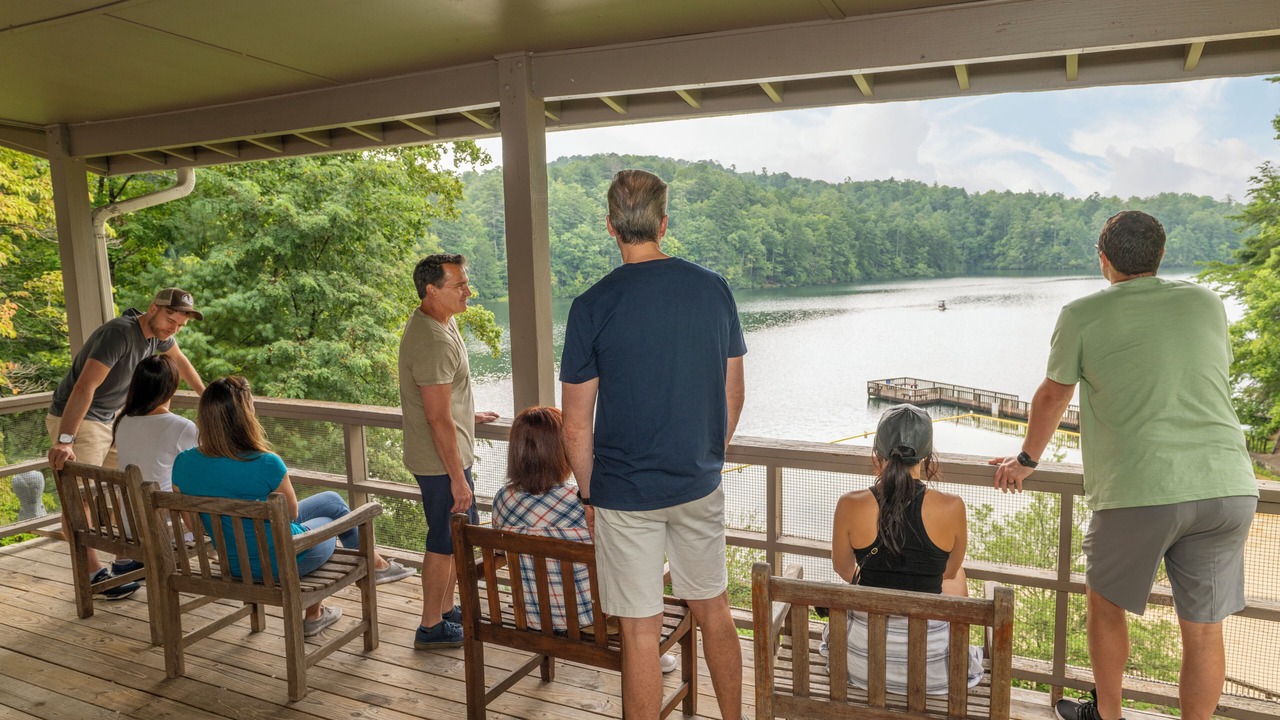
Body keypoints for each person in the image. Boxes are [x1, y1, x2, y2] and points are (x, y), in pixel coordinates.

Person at [990, 211, 1258, 720]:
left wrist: (1026, 460)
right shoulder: (1207, 303)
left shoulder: (1081, 315)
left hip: (1143, 487)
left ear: (1103, 259)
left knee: (1106, 605)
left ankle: (1109, 716)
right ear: (1159, 256)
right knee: (1203, 629)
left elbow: (1052, 395)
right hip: (1228, 485)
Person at [560, 169, 747, 720]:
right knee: (714, 609)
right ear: (664, 223)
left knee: (640, 634)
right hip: (697, 483)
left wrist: (590, 496)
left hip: (623, 494)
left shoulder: (591, 306)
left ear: (611, 227)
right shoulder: (713, 290)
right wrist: (708, 456)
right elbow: (733, 393)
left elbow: (575, 426)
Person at [173, 376, 414, 637]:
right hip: (283, 564)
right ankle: (338, 596)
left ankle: (371, 570)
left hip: (233, 563)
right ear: (245, 415)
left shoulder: (184, 463)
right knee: (330, 524)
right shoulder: (266, 463)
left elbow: (194, 525)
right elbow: (291, 515)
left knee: (332, 501)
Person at [491, 406, 679, 672]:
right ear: (562, 451)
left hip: (532, 615)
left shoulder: (503, 499)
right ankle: (646, 653)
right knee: (641, 571)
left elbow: (500, 550)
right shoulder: (585, 503)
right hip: (593, 620)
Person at [47, 287, 206, 599]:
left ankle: (124, 560)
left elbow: (182, 362)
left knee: (128, 483)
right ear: (153, 308)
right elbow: (85, 386)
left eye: (179, 326)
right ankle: (92, 573)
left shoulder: (158, 336)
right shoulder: (119, 333)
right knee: (77, 496)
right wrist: (66, 439)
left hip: (113, 417)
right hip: (82, 418)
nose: (173, 329)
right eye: (170, 319)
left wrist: (207, 395)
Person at [830, 404, 982, 694]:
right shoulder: (952, 506)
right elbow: (948, 573)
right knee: (957, 573)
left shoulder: (850, 504)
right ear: (927, 456)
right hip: (932, 672)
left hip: (861, 664)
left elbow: (843, 569)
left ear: (878, 453)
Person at [399, 253, 499, 650]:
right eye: (458, 285)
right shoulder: (433, 340)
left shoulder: (439, 320)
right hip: (442, 464)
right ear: (431, 291)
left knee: (455, 538)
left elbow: (441, 400)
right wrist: (459, 479)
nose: (468, 291)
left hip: (446, 456)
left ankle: (444, 608)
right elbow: (437, 418)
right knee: (443, 541)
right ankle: (430, 625)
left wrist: (466, 413)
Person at [109, 355, 199, 576]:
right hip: (162, 526)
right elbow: (202, 469)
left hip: (129, 524)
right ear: (171, 387)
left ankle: (128, 560)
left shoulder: (123, 421)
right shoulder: (181, 427)